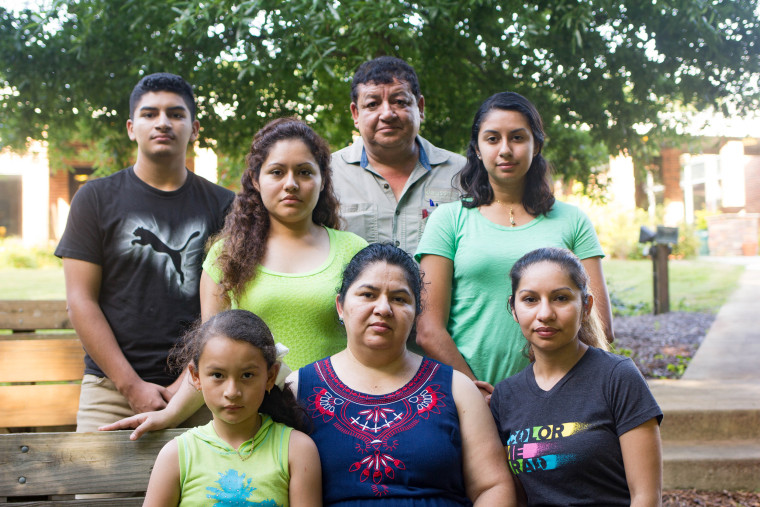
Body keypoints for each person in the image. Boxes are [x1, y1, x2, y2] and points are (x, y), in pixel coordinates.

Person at [102, 117, 367, 434]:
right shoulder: (228, 257)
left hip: (340, 420)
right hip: (254, 428)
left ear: (323, 180)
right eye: (277, 172)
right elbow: (210, 351)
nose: (291, 183)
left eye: (305, 172)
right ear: (256, 180)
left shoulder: (354, 252)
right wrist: (169, 414)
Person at [55, 72, 235, 431]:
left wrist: (188, 382)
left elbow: (226, 306)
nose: (163, 122)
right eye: (150, 114)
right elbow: (80, 301)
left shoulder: (225, 205)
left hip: (201, 387)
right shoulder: (94, 198)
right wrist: (131, 385)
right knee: (94, 489)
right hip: (110, 388)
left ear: (194, 128)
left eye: (176, 114)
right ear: (131, 127)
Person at [415, 91, 614, 393]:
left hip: (556, 397)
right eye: (492, 139)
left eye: (518, 138)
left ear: (536, 146)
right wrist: (474, 392)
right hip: (467, 397)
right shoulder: (448, 221)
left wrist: (552, 393)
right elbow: (428, 330)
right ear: (478, 149)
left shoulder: (573, 221)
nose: (505, 150)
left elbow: (599, 325)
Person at [289, 243, 516, 506]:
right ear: (340, 305)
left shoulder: (457, 389)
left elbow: (493, 486)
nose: (383, 309)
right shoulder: (297, 389)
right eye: (368, 295)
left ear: (417, 312)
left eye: (399, 299)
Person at [490, 247, 662, 506]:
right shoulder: (505, 396)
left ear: (586, 306)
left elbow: (647, 497)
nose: (545, 313)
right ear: (513, 309)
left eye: (560, 298)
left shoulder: (617, 377)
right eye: (530, 299)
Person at [144, 309, 322, 506]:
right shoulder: (177, 455)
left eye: (247, 375)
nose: (232, 391)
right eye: (218, 375)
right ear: (196, 377)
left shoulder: (296, 449)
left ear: (270, 377)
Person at [331, 56, 465, 256]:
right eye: (372, 104)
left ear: (419, 108)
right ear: (355, 114)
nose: (387, 114)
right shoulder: (328, 174)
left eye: (399, 101)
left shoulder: (461, 173)